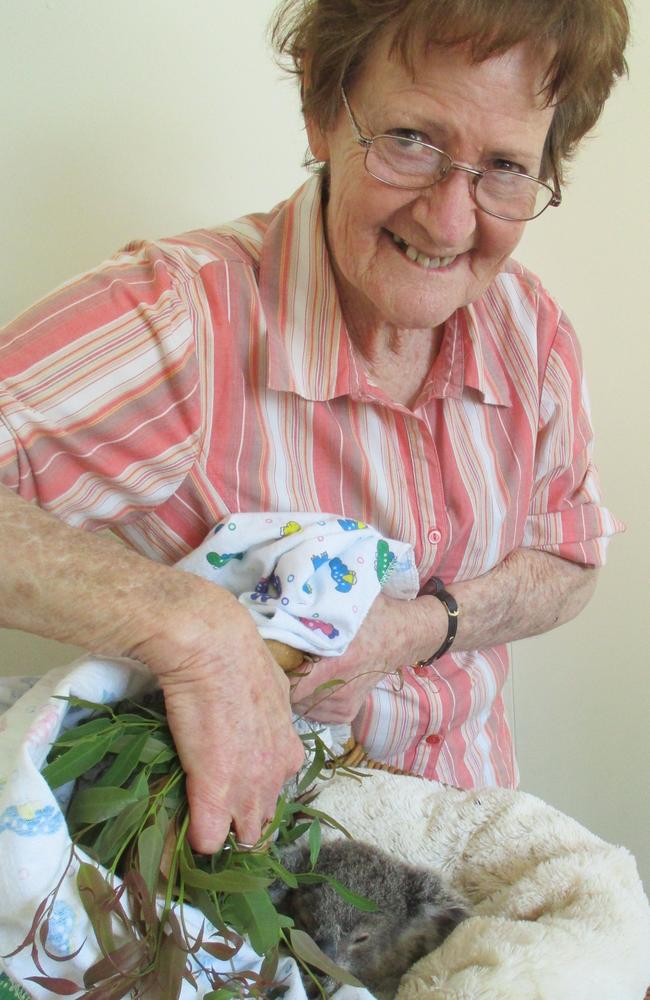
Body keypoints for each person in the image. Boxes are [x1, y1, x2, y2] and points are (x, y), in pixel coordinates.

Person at [0, 0, 629, 855]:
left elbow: (571, 559)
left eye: (507, 167)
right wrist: (196, 628)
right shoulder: (184, 317)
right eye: (411, 139)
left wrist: (414, 628)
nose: (450, 220)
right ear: (323, 109)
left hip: (476, 838)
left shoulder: (533, 331)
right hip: (255, 889)